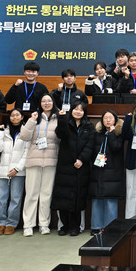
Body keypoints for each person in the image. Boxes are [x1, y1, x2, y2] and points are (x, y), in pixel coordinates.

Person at [18, 94, 60, 236]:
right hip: (33, 161)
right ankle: (28, 225)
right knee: (31, 194)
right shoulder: (34, 118)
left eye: (49, 101)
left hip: (51, 161)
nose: (46, 103)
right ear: (40, 103)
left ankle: (44, 224)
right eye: (43, 101)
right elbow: (24, 136)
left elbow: (61, 138)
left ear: (53, 102)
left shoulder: (58, 118)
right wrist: (31, 120)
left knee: (46, 194)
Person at [53, 101, 93, 236]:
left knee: (78, 197)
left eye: (81, 110)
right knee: (63, 197)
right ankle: (64, 226)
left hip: (81, 167)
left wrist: (81, 159)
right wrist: (62, 119)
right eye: (75, 109)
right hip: (65, 166)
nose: (78, 112)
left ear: (84, 112)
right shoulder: (66, 123)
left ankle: (75, 226)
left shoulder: (88, 127)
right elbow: (60, 134)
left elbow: (90, 145)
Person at [0, 107, 29, 235]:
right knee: (1, 198)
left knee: (16, 198)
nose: (15, 117)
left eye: (17, 115)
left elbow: (27, 152)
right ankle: (0, 223)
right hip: (3, 170)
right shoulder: (3, 131)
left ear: (22, 117)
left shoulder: (26, 131)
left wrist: (17, 168)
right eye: (12, 115)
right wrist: (0, 132)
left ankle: (11, 223)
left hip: (18, 171)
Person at [89, 109, 124, 233]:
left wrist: (112, 134)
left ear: (115, 120)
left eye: (110, 118)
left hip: (113, 172)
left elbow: (116, 147)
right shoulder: (97, 134)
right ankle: (96, 226)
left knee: (110, 200)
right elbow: (91, 151)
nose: (108, 120)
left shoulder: (119, 133)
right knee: (97, 199)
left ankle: (110, 227)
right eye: (105, 118)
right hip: (98, 171)